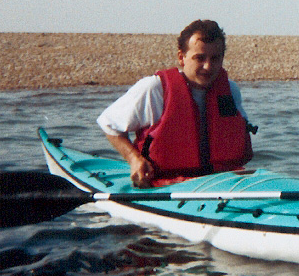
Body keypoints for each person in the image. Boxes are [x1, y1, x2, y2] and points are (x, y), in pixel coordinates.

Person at [97, 19, 253, 188]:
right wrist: (134, 159)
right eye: (199, 58)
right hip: (164, 185)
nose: (208, 66)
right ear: (182, 57)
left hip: (221, 183)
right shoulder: (155, 88)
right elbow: (109, 124)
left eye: (215, 58)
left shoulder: (230, 90)